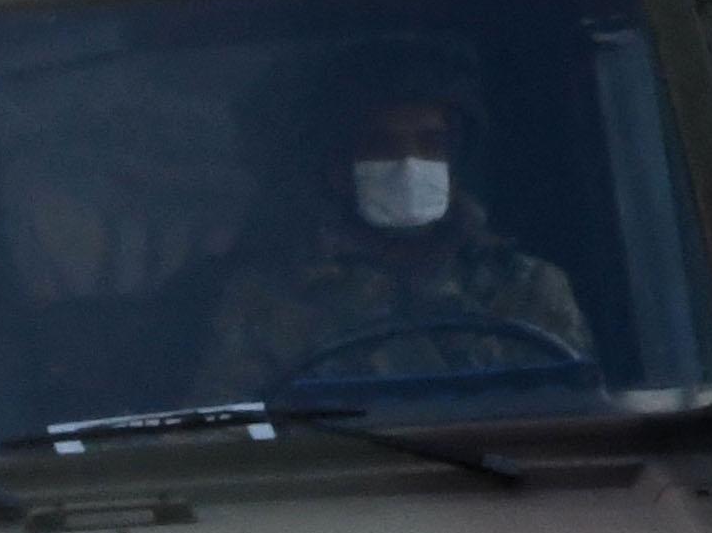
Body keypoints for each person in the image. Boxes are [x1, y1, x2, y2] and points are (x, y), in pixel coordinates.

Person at [196, 85, 590, 400]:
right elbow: (228, 437)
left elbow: (580, 420)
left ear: (453, 165)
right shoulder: (265, 299)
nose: (409, 162)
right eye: (381, 146)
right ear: (339, 169)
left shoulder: (528, 286)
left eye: (431, 143)